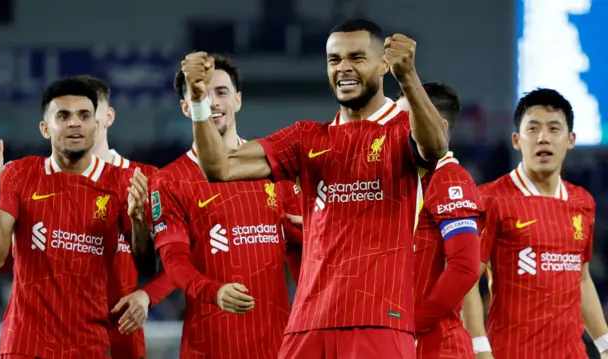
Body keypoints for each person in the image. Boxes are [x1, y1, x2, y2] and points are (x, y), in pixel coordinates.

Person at [185, 18, 448, 358]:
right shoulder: (306, 137)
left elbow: (435, 148)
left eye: (356, 57)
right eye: (334, 60)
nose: (344, 68)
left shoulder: (401, 129)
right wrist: (198, 101)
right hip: (307, 322)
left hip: (380, 320)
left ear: (383, 64)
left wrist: (409, 77)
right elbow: (218, 167)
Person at [0, 77, 150, 359]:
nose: (74, 123)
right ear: (45, 129)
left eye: (84, 116)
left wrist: (138, 219)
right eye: (63, 116)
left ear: (96, 125)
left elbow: (146, 262)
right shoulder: (20, 174)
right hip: (25, 347)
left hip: (90, 348)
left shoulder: (122, 182)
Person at [149, 54, 303, 358]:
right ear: (186, 107)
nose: (213, 102)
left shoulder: (275, 169)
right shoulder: (169, 180)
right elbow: (175, 262)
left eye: (221, 92)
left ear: (238, 100)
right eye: (202, 95)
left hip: (277, 346)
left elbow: (301, 250)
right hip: (209, 347)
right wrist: (214, 291)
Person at [461, 88, 608, 359]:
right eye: (533, 129)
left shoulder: (583, 201)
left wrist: (604, 344)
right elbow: (466, 280)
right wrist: (480, 349)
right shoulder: (490, 198)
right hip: (511, 352)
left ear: (570, 139)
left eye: (554, 129)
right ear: (517, 140)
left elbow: (582, 279)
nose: (543, 138)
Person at [75, 75, 176, 359]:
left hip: (123, 342)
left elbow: (180, 259)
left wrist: (147, 295)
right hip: (61, 340)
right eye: (73, 114)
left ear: (109, 116)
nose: (81, 122)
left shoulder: (150, 178)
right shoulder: (48, 184)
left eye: (89, 112)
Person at [396, 83, 481, 358]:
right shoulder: (405, 180)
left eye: (403, 122)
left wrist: (411, 325)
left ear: (438, 127)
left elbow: (465, 267)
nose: (393, 132)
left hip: (436, 348)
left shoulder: (449, 178)